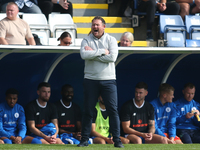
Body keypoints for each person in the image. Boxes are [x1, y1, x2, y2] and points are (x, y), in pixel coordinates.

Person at [79, 16, 124, 148]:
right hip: (90, 80)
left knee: (113, 110)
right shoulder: (86, 39)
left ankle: (117, 140)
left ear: (104, 26)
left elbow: (112, 57)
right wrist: (101, 52)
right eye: (93, 25)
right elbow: (83, 55)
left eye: (98, 25)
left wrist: (92, 53)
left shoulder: (111, 39)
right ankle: (84, 140)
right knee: (88, 111)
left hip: (108, 80)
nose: (95, 27)